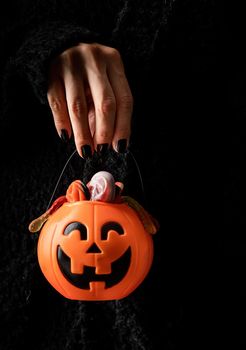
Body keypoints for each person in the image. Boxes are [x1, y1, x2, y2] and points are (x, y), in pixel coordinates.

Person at [1, 0, 240, 349]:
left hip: (191, 292)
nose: (95, 248)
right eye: (84, 237)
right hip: (25, 306)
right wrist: (41, 49)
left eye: (103, 236)